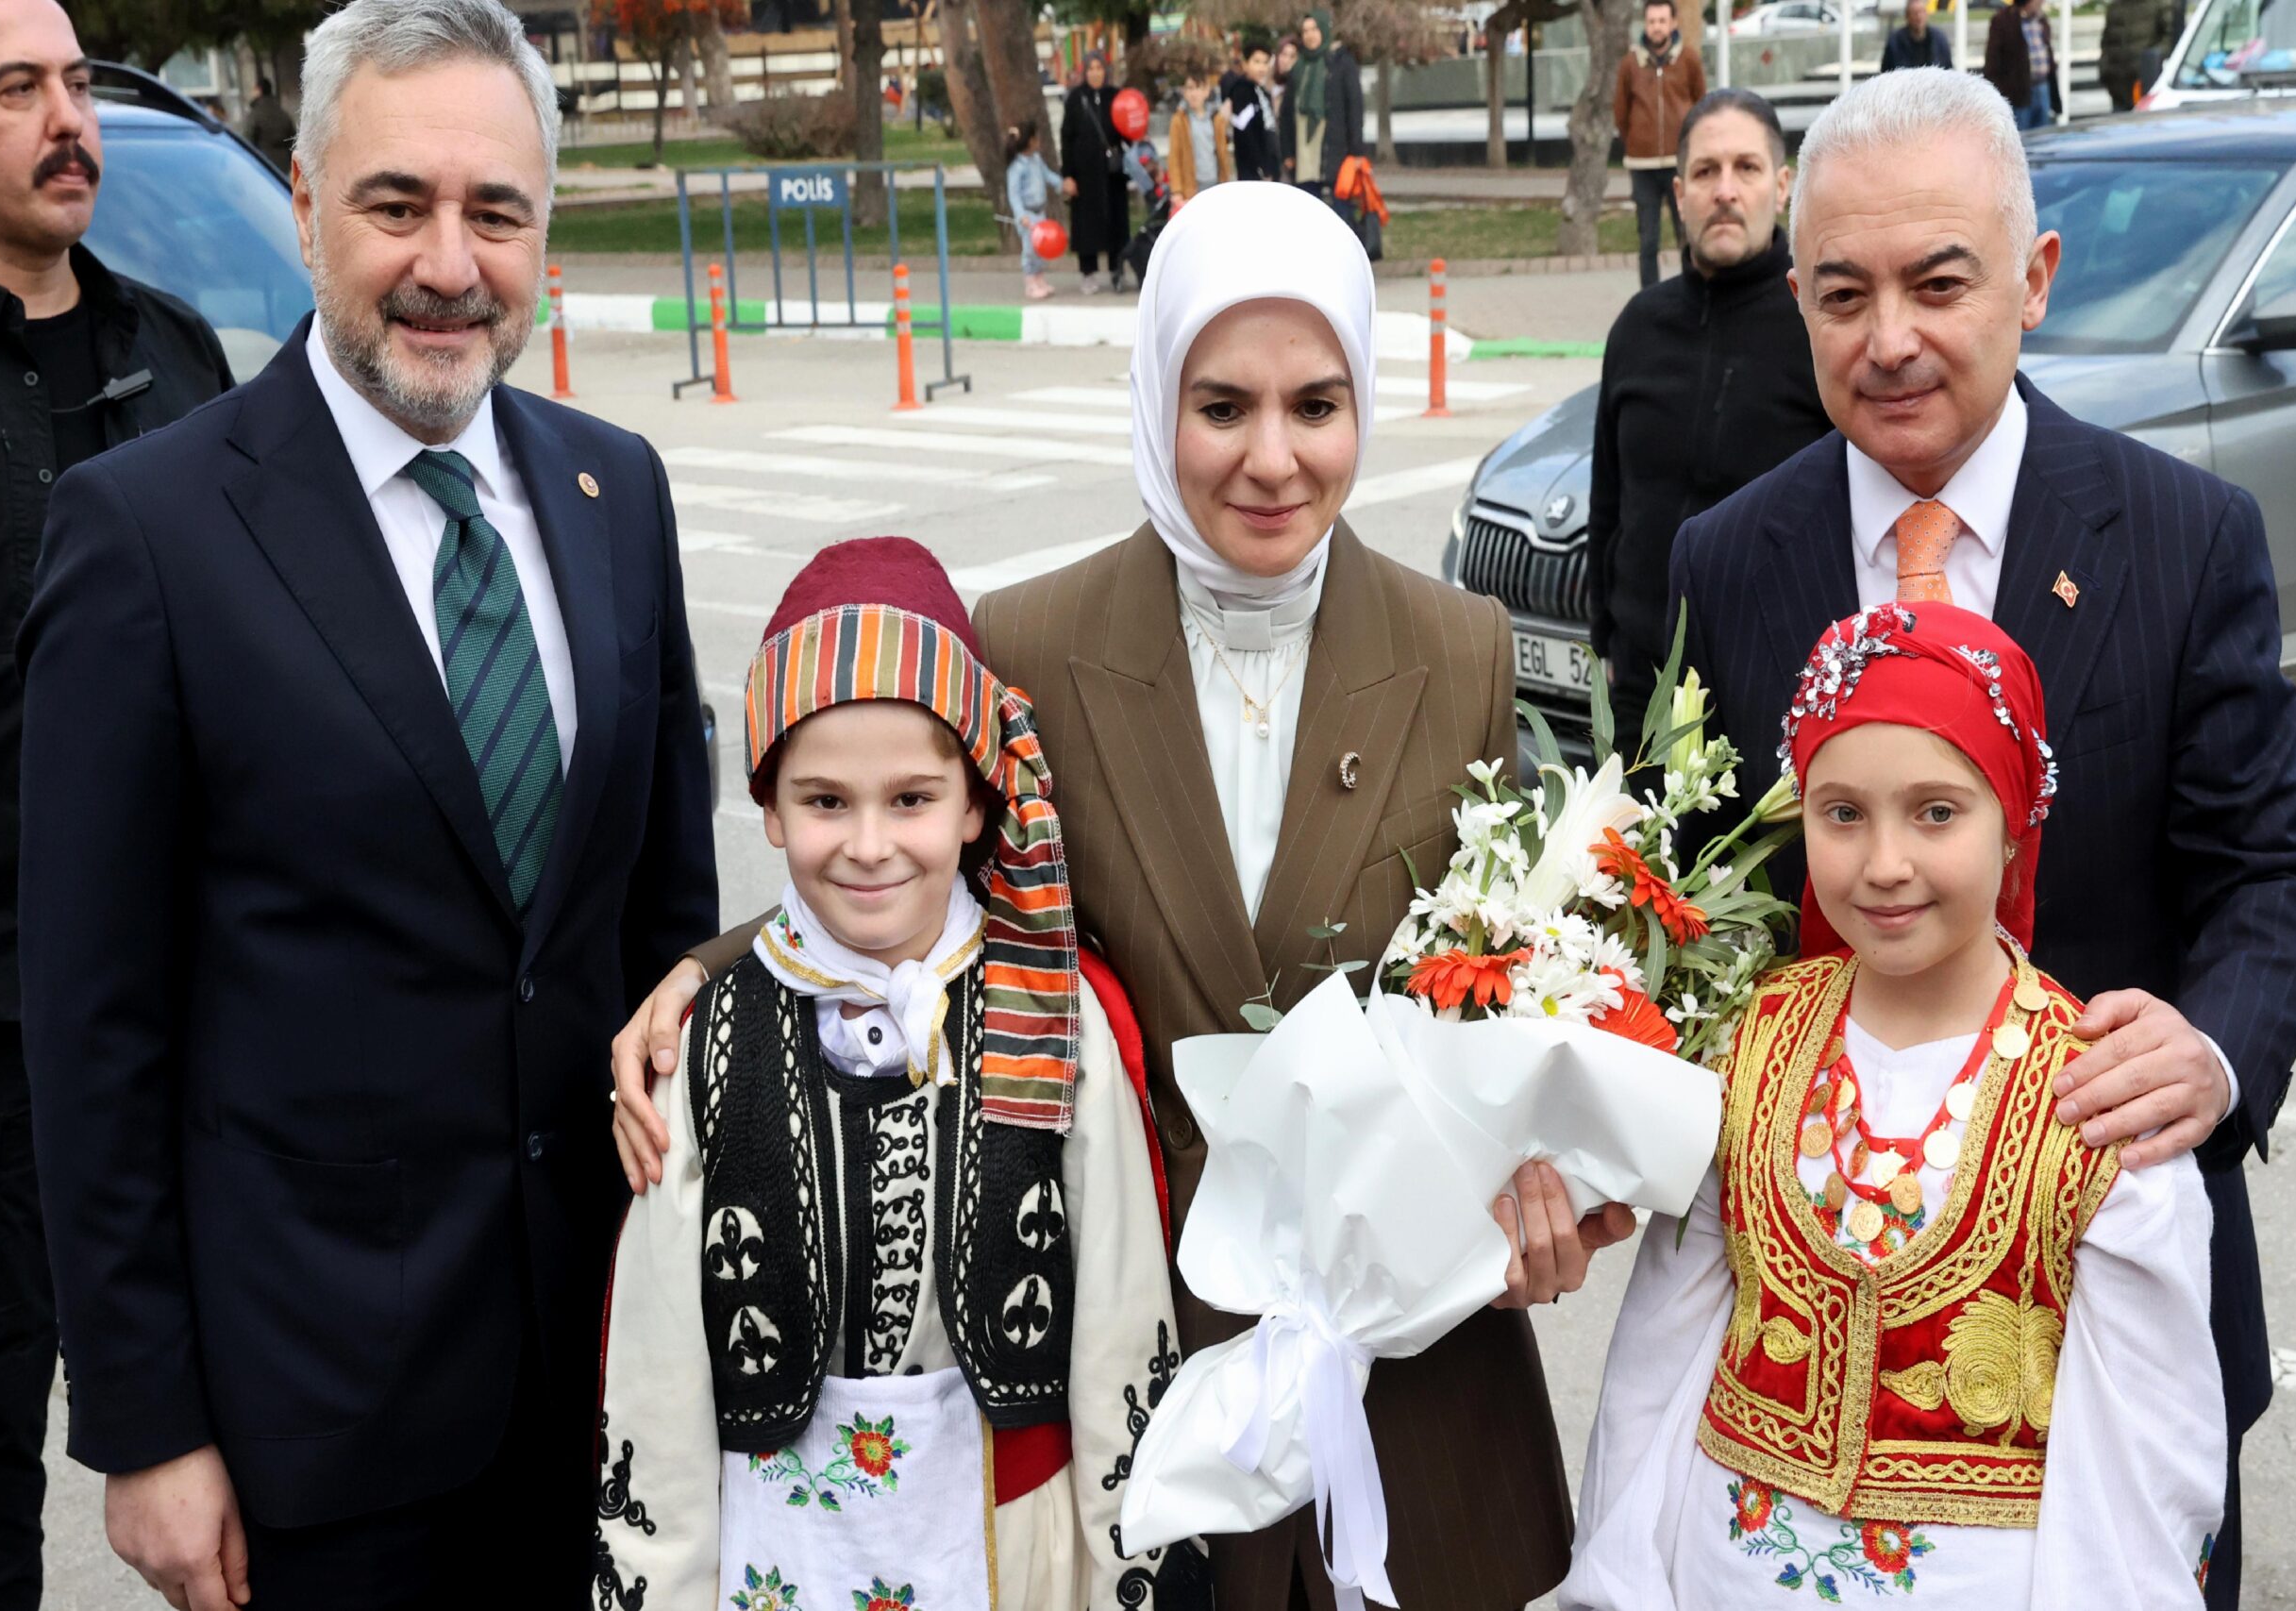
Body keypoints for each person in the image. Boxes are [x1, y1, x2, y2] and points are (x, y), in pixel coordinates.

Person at [610, 182, 1631, 1611]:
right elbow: (898, 859)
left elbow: (1517, 966)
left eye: (1316, 404)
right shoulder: (1031, 641)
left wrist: (1561, 1166)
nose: (1273, 458)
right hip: (1148, 1358)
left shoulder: (1458, 643)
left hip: (1412, 1368)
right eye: (1223, 406)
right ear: (1157, 400)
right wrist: (712, 969)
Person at [16, 2, 719, 1607]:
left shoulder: (621, 492)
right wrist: (145, 1422)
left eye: (498, 212)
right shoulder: (146, 534)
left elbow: (666, 926)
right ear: (306, 200)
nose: (450, 264)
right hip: (312, 1431)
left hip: (617, 1382)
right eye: (398, 205)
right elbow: (90, 1022)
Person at [1668, 69, 2296, 1610]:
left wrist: (2213, 1056)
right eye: (1844, 294)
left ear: (2032, 281)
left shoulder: (2181, 536)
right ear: (1799, 301)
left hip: (2115, 1342)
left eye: (1937, 282)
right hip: (1806, 1403)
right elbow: (1695, 906)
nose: (1889, 337)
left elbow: (2272, 876)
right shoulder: (1729, 558)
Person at [1561, 600, 2224, 1607]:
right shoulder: (1748, 1041)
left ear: (2014, 825)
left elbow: (2142, 1463)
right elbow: (1659, 1357)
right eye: (1841, 813)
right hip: (1722, 1573)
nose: (1882, 865)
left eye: (1936, 812)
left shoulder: (2097, 1094)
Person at [595, 536, 1206, 1610]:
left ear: (975, 806)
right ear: (768, 808)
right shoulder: (703, 1034)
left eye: (911, 800)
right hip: (769, 1549)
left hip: (1015, 1548)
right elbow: (655, 1366)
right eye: (825, 801)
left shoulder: (1054, 1011)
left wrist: (1133, 1573)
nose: (869, 845)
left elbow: (1120, 1322)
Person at [0, 2, 234, 1605]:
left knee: (243, 1393)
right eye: (17, 88)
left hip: (206, 1001)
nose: (68, 120)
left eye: (73, 86)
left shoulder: (175, 352)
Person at [1588, 88, 1829, 728]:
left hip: (1782, 687)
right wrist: (1603, 641)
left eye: (1745, 168)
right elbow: (1607, 502)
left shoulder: (1824, 328)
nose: (1725, 190)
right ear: (1677, 195)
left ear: (1782, 188)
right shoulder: (1638, 328)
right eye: (1705, 171)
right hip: (1644, 690)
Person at [1614, 0, 1707, 288]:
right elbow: (1620, 111)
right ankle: (1649, 300)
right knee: (1648, 240)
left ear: (1673, 23)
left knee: (1686, 235)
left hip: (1679, 164)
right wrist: (1635, 139)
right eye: (1652, 21)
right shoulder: (1630, 64)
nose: (1657, 27)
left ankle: (1690, 293)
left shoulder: (1688, 59)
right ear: (1645, 23)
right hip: (1642, 166)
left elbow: (1700, 102)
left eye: (1662, 20)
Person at [1285, 9, 1365, 226]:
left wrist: (1357, 149)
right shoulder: (1299, 67)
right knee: (1309, 208)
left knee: (1341, 209)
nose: (1310, 35)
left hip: (1334, 148)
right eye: (1305, 31)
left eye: (1314, 29)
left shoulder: (1341, 62)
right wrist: (1287, 152)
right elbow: (1286, 111)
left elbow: (1355, 106)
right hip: (1305, 149)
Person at [1061, 54, 1129, 294]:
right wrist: (1067, 175)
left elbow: (1127, 131)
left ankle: (1116, 269)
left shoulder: (1116, 96)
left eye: (1099, 68)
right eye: (1091, 68)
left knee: (1116, 221)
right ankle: (1088, 272)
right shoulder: (1076, 99)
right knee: (1086, 223)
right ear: (1084, 71)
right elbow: (1066, 138)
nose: (1096, 72)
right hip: (1085, 174)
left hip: (1112, 174)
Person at [1005, 120, 1065, 301]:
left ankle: (1040, 279)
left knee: (1040, 248)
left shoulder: (1036, 160)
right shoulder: (1016, 168)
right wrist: (1020, 215)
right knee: (1030, 249)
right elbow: (1014, 194)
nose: (1038, 141)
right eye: (1035, 138)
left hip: (1040, 212)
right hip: (1028, 216)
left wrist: (1061, 185)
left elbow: (1047, 175)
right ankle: (1030, 282)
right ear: (1029, 141)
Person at [1983, 0, 2060, 132]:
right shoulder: (2004, 21)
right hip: (2018, 92)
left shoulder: (2041, 20)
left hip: (2042, 87)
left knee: (2043, 135)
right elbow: (1993, 62)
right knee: (2021, 135)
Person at [1166, 67, 1234, 208]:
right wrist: (1177, 191)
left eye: (1198, 88)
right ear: (1184, 92)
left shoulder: (1216, 119)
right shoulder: (1180, 120)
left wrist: (1226, 179)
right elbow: (1174, 156)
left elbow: (1222, 152)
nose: (1194, 93)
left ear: (1206, 91)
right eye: (1190, 88)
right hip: (1192, 187)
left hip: (1215, 183)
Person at [2099, 0, 2170, 109]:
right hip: (2118, 87)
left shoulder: (2161, 4)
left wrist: (2148, 67)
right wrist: (2105, 71)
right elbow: (2107, 42)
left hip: (2147, 87)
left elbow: (2170, 39)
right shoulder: (2116, 7)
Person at [1226, 43, 1280, 181]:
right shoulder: (1242, 90)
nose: (1261, 67)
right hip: (1253, 171)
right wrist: (1261, 167)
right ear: (1246, 63)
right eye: (1256, 62)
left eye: (1265, 62)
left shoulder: (1260, 90)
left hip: (1269, 162)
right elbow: (1246, 132)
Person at [240, 73, 294, 175]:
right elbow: (292, 139)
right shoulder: (282, 112)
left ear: (259, 90)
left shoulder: (255, 113)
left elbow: (248, 140)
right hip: (284, 165)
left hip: (263, 163)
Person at [1881, 0, 1955, 71]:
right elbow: (1886, 72)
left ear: (1926, 14)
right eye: (1914, 13)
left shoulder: (1939, 39)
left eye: (1922, 12)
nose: (1919, 17)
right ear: (1907, 16)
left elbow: (1948, 70)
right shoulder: (1895, 42)